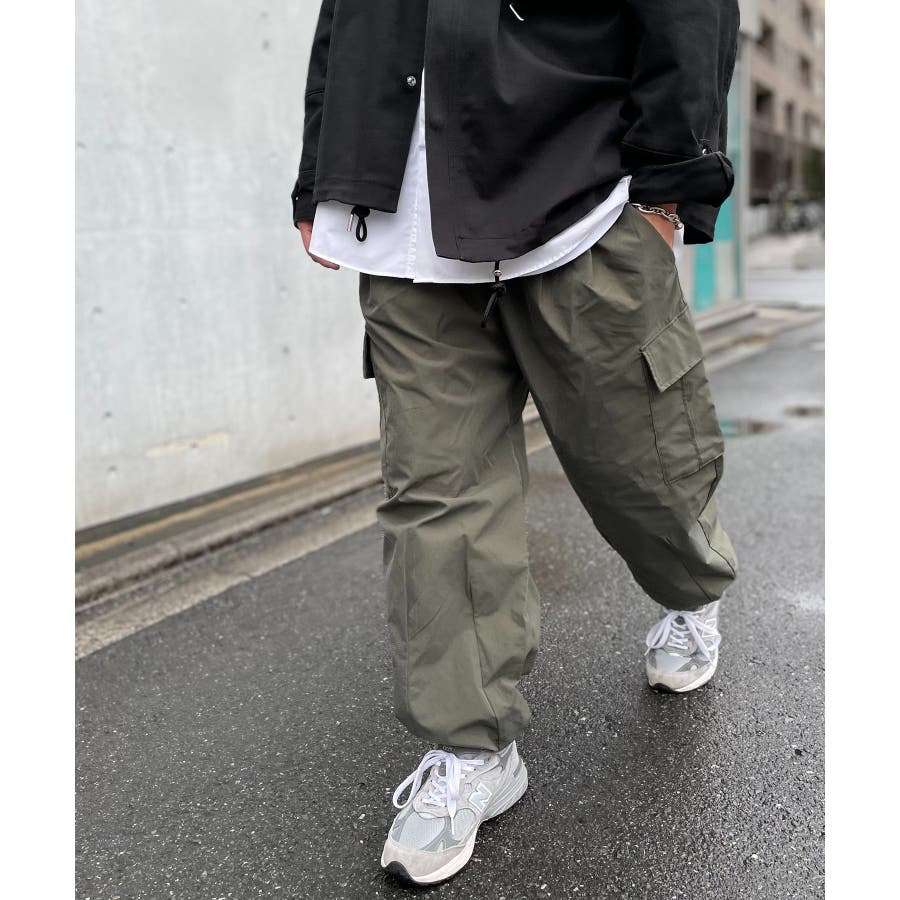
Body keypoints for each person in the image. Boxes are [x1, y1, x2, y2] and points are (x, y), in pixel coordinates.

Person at [291, 0, 739, 886]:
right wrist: (323, 175)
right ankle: (472, 747)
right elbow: (344, 19)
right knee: (436, 489)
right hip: (406, 226)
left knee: (638, 458)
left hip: (577, 194)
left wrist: (669, 185)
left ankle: (692, 587)